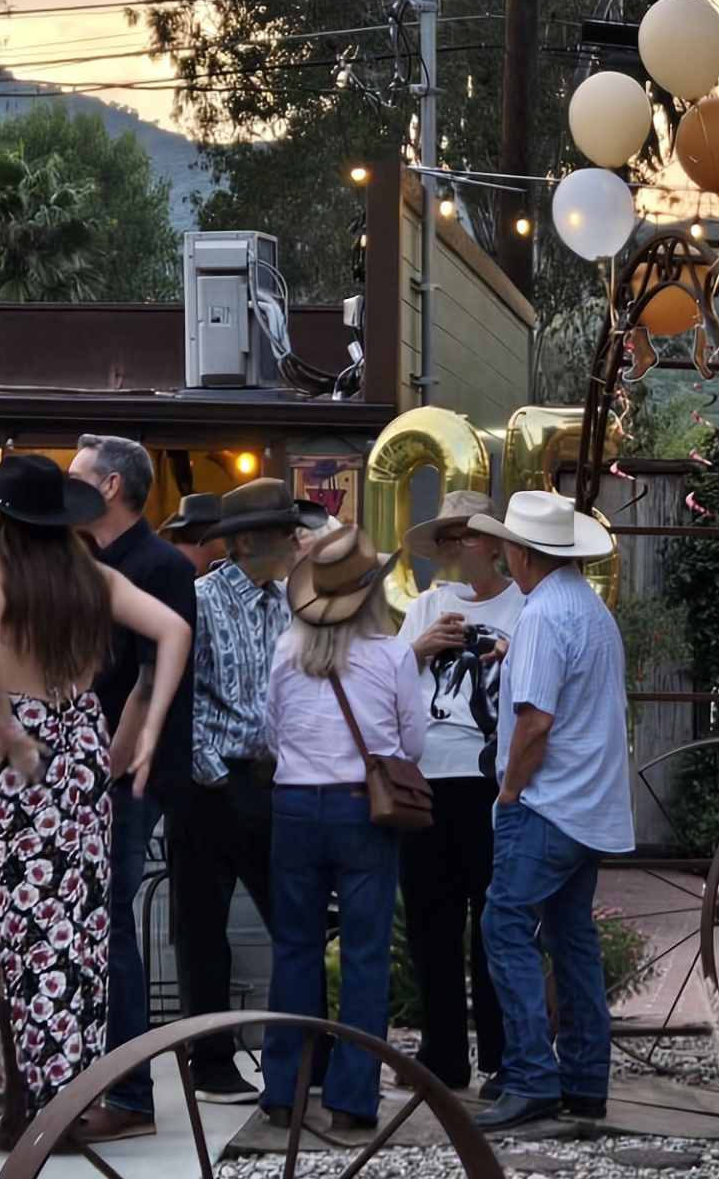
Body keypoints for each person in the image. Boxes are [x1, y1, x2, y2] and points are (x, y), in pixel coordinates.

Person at [0, 454, 188, 1151]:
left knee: (14, 927)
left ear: (2, 517)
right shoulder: (92, 576)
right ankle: (67, 1098)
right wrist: (149, 728)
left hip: (19, 754)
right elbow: (174, 631)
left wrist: (5, 724)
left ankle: (18, 1105)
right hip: (81, 747)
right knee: (73, 929)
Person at [261, 522, 423, 1139]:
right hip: (363, 810)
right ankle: (352, 1098)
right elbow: (412, 743)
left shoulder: (286, 650)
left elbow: (272, 732)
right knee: (364, 953)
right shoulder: (392, 654)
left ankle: (285, 1091)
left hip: (294, 807)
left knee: (294, 950)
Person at [479, 489, 629, 1133]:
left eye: (507, 547)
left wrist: (509, 791)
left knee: (504, 925)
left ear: (522, 554)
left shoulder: (541, 614)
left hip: (547, 801)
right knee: (572, 939)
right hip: (588, 802)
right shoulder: (589, 608)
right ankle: (585, 1080)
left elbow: (535, 722)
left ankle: (532, 1077)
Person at [75, 435, 197, 1138]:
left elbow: (149, 680)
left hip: (127, 771)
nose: (69, 488)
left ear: (111, 486)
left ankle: (130, 1098)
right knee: (95, 920)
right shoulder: (86, 561)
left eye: (78, 476)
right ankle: (93, 1077)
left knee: (114, 919)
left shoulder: (158, 564)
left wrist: (110, 766)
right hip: (83, 766)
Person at [173, 476, 306, 1097]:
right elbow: (182, 696)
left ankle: (303, 1057)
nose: (295, 542)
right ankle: (211, 1062)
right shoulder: (199, 601)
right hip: (210, 784)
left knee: (293, 921)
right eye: (285, 533)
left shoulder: (288, 603)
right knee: (204, 930)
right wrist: (216, 775)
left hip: (272, 781)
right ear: (249, 541)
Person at [394, 490, 519, 1093]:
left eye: (465, 534)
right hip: (427, 779)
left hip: (494, 780)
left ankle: (502, 1055)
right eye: (446, 537)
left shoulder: (525, 606)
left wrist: (507, 658)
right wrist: (420, 649)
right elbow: (385, 683)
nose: (454, 547)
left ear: (494, 543)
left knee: (494, 924)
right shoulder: (425, 606)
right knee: (430, 924)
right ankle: (442, 1056)